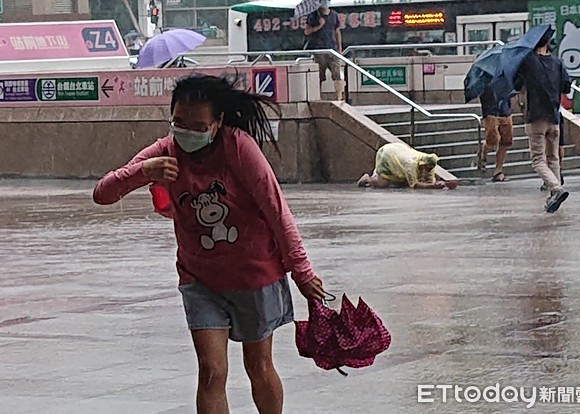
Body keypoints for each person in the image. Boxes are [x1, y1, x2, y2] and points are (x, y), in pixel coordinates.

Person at [93, 75, 326, 414]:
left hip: (254, 276)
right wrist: (144, 170)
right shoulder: (164, 153)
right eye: (179, 122)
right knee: (211, 371)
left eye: (198, 125)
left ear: (217, 123)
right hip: (200, 280)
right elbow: (103, 194)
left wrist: (302, 272)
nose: (187, 131)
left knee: (258, 366)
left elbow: (276, 210)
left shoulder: (238, 148)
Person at [514, 29, 571, 213]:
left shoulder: (528, 62)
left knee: (538, 160)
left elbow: (516, 84)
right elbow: (566, 86)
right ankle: (553, 197)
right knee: (553, 157)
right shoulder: (557, 63)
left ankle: (556, 189)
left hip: (536, 117)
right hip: (554, 117)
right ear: (547, 43)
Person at [357, 143, 453, 190]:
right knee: (383, 184)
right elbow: (414, 185)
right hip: (387, 154)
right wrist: (433, 186)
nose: (428, 171)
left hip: (398, 153)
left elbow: (429, 180)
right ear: (422, 165)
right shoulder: (411, 164)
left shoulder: (429, 162)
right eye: (426, 169)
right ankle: (368, 178)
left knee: (401, 182)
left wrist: (436, 183)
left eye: (430, 169)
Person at [304, 0, 344, 101]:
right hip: (319, 50)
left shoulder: (334, 15)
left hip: (332, 49)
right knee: (319, 76)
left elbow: (337, 32)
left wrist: (339, 48)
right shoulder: (314, 15)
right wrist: (319, 26)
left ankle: (339, 97)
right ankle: (318, 96)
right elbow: (307, 31)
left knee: (337, 74)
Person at [478, 86, 513, 182]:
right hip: (491, 111)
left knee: (505, 141)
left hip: (505, 110)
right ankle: (483, 152)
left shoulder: (506, 74)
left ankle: (498, 170)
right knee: (492, 140)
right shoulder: (485, 77)